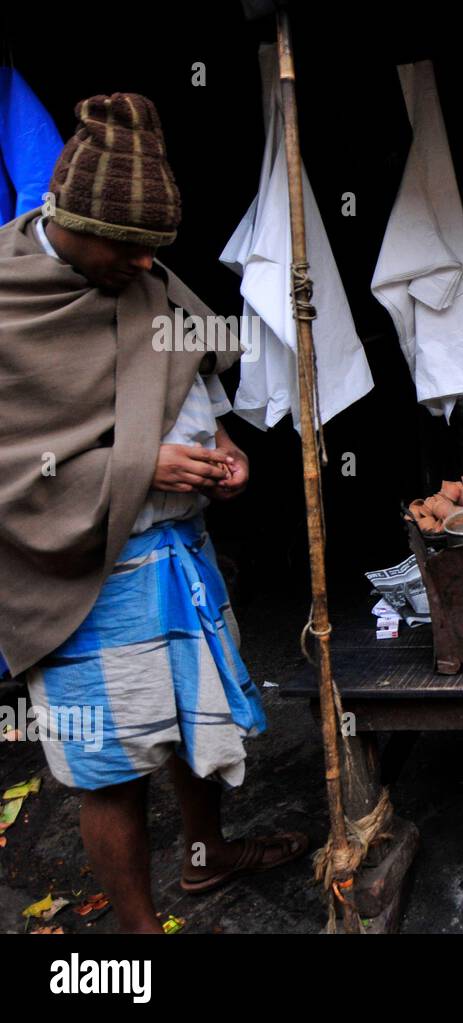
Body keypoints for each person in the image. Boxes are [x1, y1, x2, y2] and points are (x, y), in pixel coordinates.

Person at [0, 93, 305, 933]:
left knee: (190, 718)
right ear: (68, 216)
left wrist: (226, 447)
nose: (143, 268)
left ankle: (206, 856)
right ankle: (137, 937)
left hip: (179, 547)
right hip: (82, 576)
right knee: (112, 763)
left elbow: (188, 373)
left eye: (150, 253)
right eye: (126, 249)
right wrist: (141, 466)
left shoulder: (140, 273)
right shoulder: (7, 303)